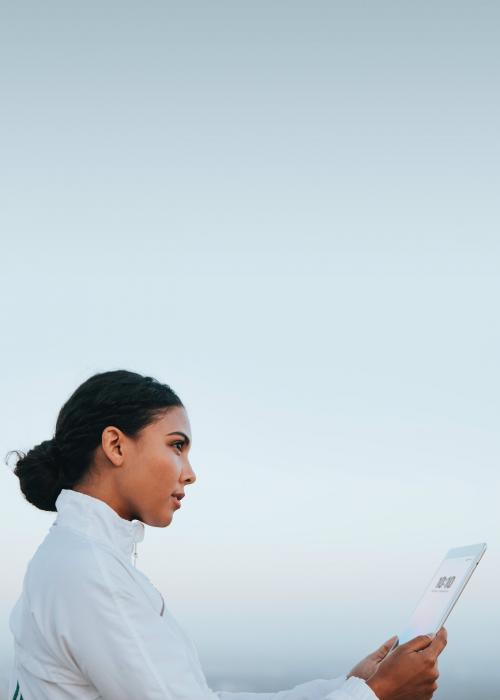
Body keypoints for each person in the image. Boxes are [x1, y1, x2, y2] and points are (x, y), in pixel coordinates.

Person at [5, 369, 447, 700]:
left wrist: (349, 686)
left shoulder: (77, 557)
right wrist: (378, 694)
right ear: (116, 446)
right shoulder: (91, 571)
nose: (190, 473)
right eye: (176, 446)